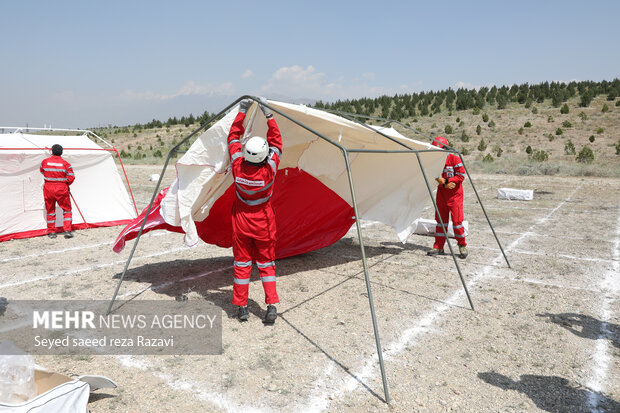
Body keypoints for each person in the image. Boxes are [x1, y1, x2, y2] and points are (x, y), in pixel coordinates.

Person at [227, 98, 282, 323]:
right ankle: (270, 306)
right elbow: (277, 142)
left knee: (242, 265)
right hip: (264, 225)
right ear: (264, 156)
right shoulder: (269, 170)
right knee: (266, 264)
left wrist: (242, 111)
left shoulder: (238, 168)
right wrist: (268, 114)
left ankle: (242, 308)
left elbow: (232, 138)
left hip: (241, 223)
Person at [427, 136, 468, 258]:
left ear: (445, 148)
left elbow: (461, 176)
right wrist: (440, 180)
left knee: (457, 222)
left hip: (455, 196)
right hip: (442, 195)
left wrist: (448, 180)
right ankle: (438, 247)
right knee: (440, 222)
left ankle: (462, 245)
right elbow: (432, 174)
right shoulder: (436, 162)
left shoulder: (454, 159)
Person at [40, 144, 75, 239]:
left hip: (48, 189)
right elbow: (71, 177)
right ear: (61, 152)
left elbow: (42, 171)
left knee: (50, 210)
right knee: (67, 210)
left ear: (51, 151)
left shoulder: (44, 162)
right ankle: (67, 231)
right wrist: (65, 183)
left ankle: (51, 232)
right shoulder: (66, 164)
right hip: (61, 189)